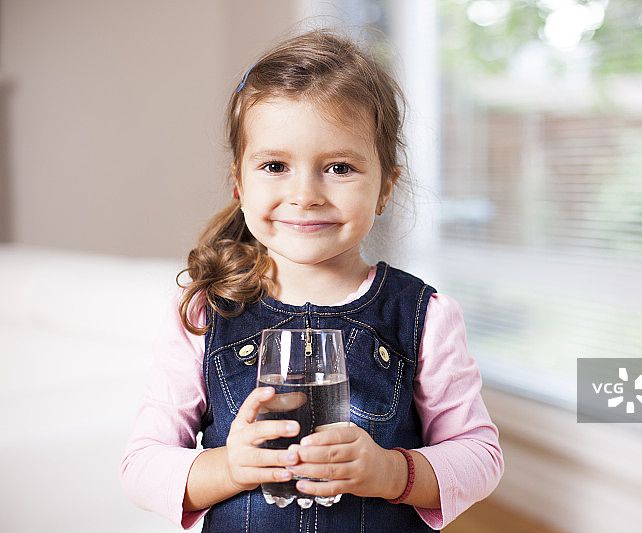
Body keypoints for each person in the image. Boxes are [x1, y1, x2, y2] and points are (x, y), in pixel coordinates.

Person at [120, 29, 503, 532]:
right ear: (239, 181)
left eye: (339, 167)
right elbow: (141, 466)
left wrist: (393, 473)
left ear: (385, 185)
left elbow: (480, 457)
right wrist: (227, 468)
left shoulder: (424, 316)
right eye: (275, 165)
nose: (305, 194)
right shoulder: (204, 312)